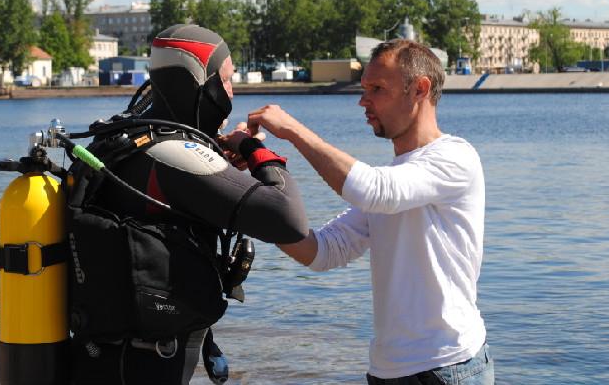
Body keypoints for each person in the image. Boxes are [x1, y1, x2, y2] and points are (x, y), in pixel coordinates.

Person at [227, 39, 494, 384]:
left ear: (420, 90)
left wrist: (293, 131)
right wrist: (245, 182)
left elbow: (374, 190)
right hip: (389, 369)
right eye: (364, 88)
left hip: (449, 366)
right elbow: (322, 252)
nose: (363, 101)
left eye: (377, 89)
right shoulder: (397, 180)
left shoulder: (455, 158)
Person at [69, 24, 309, 385]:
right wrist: (257, 151)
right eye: (226, 80)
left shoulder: (131, 138)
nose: (231, 92)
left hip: (111, 358)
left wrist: (223, 160)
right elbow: (288, 219)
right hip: (140, 365)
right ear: (199, 81)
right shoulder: (174, 153)